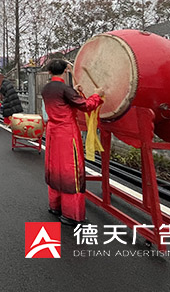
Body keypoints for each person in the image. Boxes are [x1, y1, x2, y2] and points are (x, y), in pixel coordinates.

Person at [41, 59, 104, 226]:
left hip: (53, 132)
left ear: (49, 72)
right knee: (71, 171)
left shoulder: (46, 88)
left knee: (55, 168)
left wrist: (73, 91)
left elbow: (62, 100)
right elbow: (86, 105)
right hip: (67, 133)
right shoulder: (65, 89)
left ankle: (55, 206)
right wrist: (97, 94)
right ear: (65, 71)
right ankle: (71, 214)